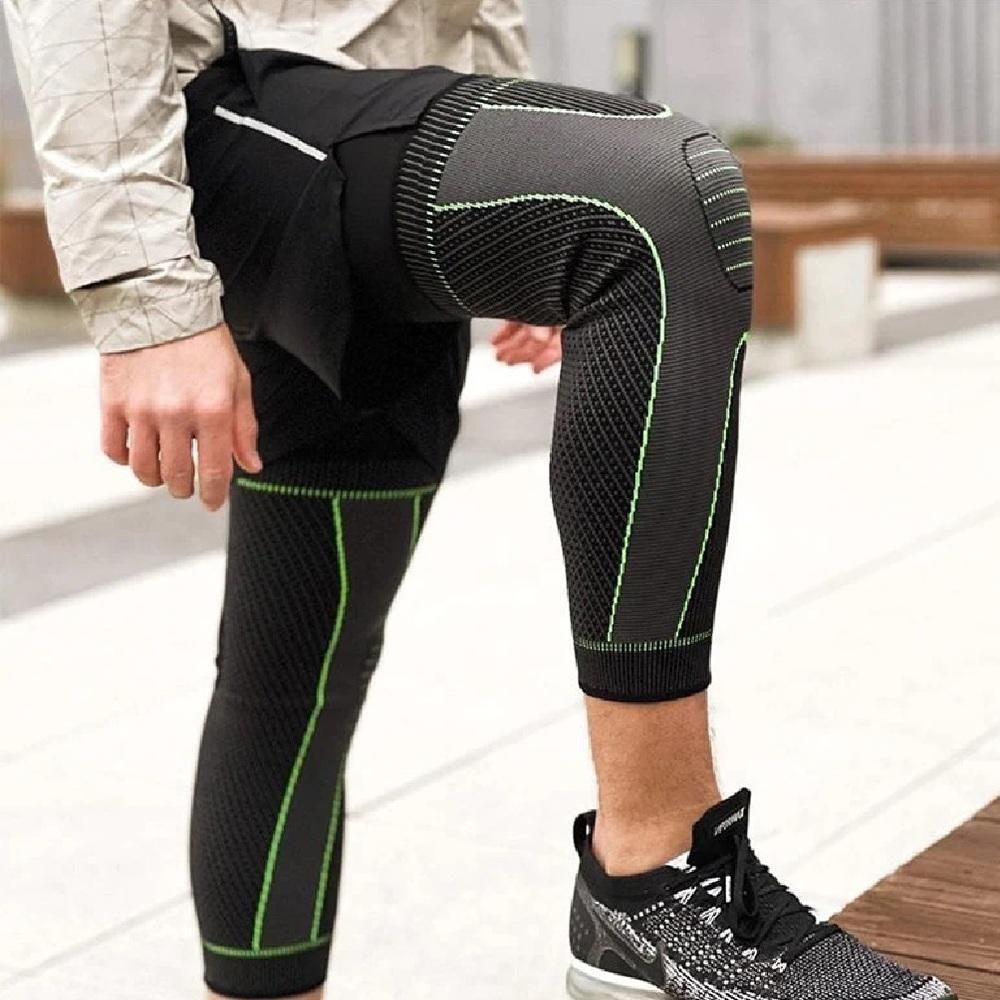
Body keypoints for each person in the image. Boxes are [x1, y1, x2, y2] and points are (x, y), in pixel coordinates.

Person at [3, 3, 954, 1000]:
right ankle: (652, 866)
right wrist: (143, 288)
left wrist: (512, 205)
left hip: (386, 125)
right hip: (215, 103)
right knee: (659, 198)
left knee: (297, 668)